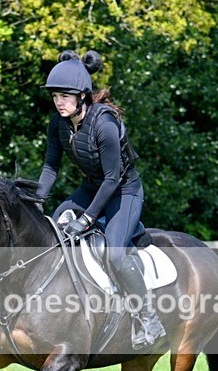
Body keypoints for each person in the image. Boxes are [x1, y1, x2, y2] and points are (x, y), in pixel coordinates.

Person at [37, 50, 165, 349]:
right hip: (93, 187)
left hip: (124, 190)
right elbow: (49, 167)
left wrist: (87, 218)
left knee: (116, 254)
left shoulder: (104, 124)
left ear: (82, 96)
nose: (59, 102)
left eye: (65, 96)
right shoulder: (58, 124)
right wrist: (36, 200)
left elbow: (112, 179)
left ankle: (149, 318)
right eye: (55, 96)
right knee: (54, 232)